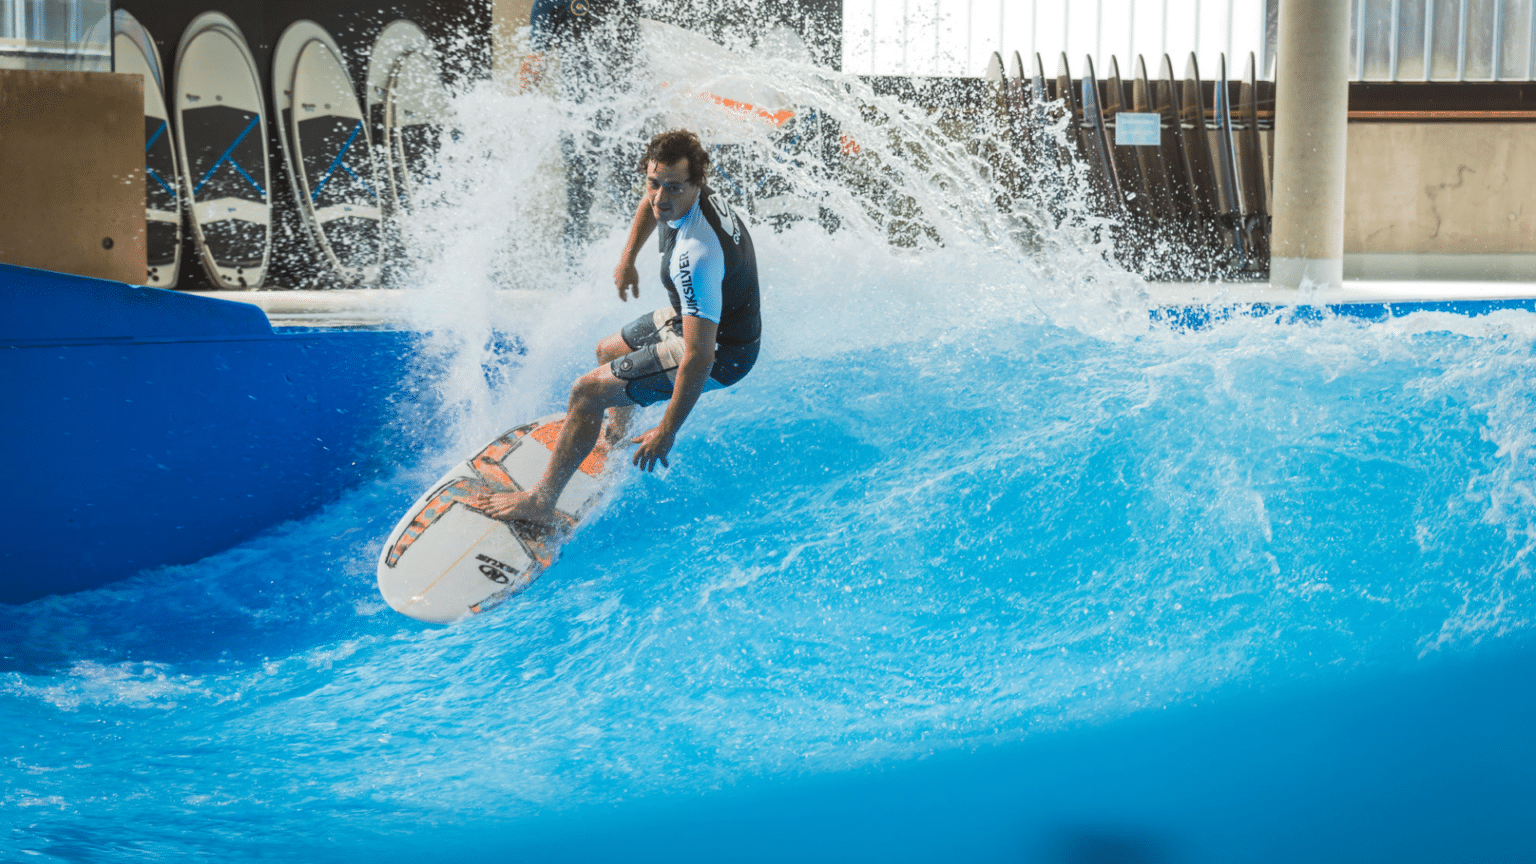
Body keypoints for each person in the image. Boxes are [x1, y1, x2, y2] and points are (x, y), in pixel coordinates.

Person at [474, 129, 761, 527]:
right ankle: (613, 442)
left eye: (673, 188)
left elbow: (699, 356)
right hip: (703, 321)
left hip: (723, 353)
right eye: (653, 183)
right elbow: (651, 205)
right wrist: (628, 260)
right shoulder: (681, 200)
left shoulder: (697, 255)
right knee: (607, 352)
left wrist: (666, 430)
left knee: (586, 391)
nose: (661, 197)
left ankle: (540, 502)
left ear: (697, 184)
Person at [521, 0, 641, 255]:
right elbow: (536, 56)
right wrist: (518, 106)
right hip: (579, 119)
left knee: (631, 196)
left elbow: (638, 48)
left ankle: (635, 270)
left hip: (627, 115)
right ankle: (576, 281)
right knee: (578, 201)